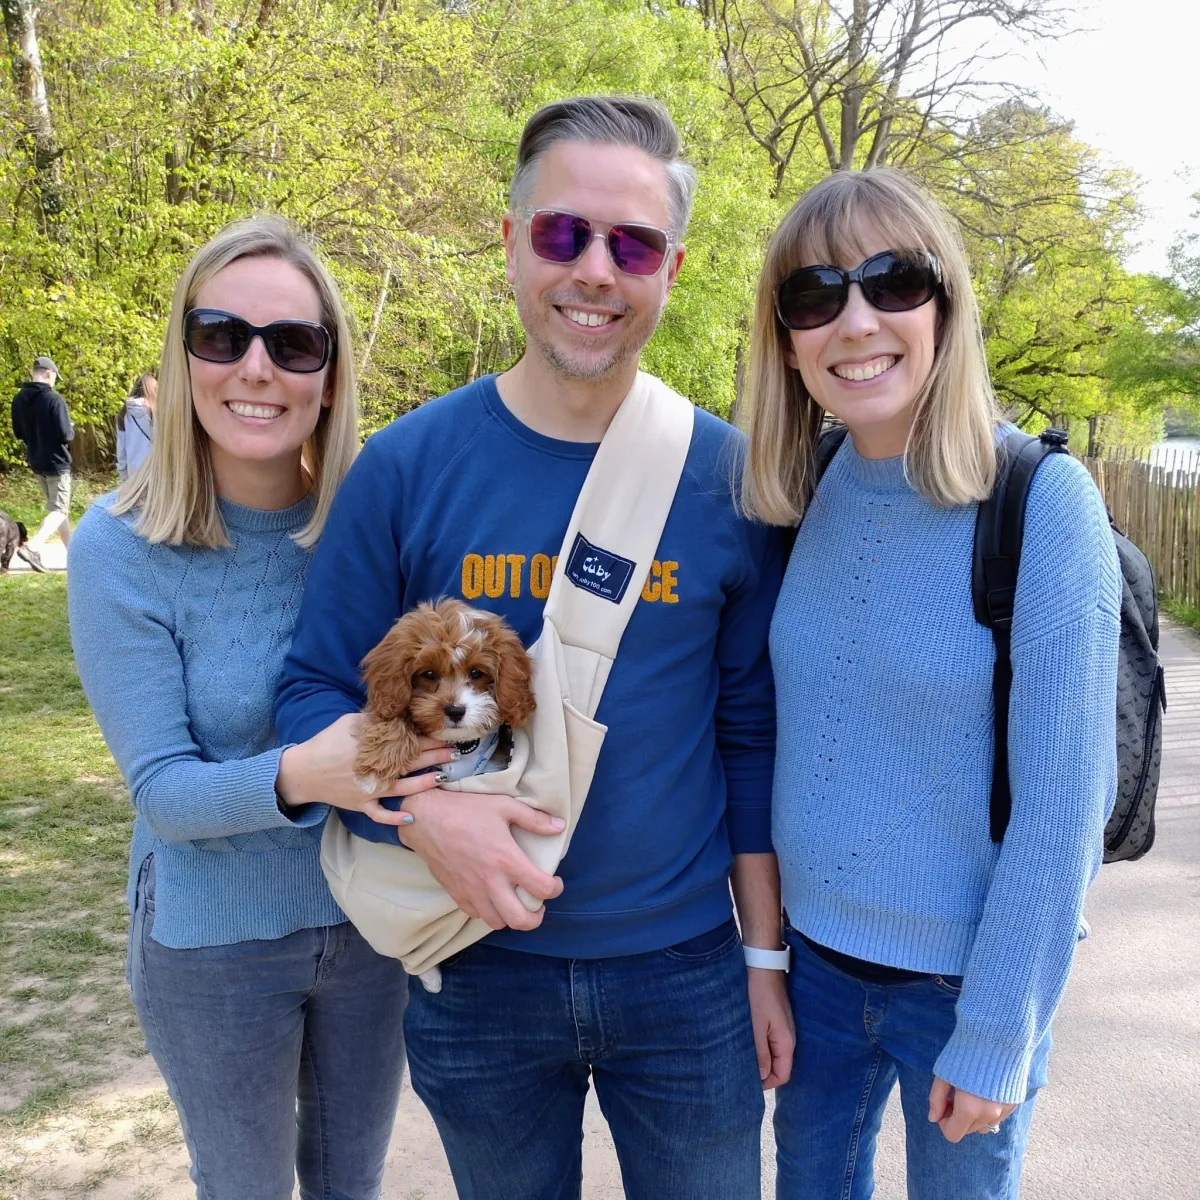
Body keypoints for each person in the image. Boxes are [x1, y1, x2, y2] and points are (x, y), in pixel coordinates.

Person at [276, 95, 794, 1200]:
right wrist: (423, 814)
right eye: (563, 233)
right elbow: (311, 692)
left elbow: (752, 739)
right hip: (477, 970)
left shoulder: (730, 481)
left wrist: (761, 957)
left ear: (672, 267)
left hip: (690, 976)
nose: (595, 270)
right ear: (511, 243)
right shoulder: (406, 470)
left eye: (634, 243)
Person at [740, 167, 1121, 1199]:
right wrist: (768, 961)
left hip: (962, 989)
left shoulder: (1042, 504)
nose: (855, 321)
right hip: (815, 977)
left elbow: (1064, 811)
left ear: (945, 304)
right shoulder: (800, 491)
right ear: (786, 338)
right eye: (815, 296)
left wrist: (999, 1032)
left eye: (892, 281)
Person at [67, 215, 456, 1200]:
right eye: (220, 335)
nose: (255, 368)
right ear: (184, 353)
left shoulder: (366, 528)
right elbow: (165, 793)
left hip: (368, 926)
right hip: (215, 942)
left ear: (328, 371)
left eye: (292, 344)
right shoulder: (120, 548)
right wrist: (305, 774)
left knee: (349, 1185)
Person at [10, 355, 73, 570]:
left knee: (58, 509)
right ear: (49, 373)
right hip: (57, 462)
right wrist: (70, 427)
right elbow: (66, 434)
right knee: (60, 510)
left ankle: (73, 556)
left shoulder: (18, 399)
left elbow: (18, 433)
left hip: (36, 461)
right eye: (56, 377)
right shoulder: (54, 400)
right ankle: (33, 547)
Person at [116, 373, 158, 481]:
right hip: (155, 472)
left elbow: (121, 451)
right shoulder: (156, 411)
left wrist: (124, 478)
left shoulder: (124, 413)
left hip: (133, 475)